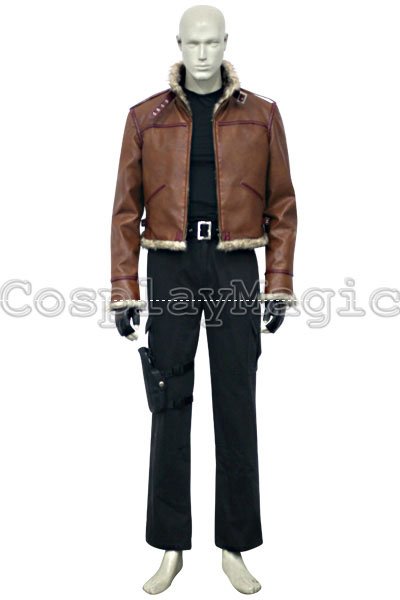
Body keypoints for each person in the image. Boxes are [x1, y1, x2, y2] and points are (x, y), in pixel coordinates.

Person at [108, 5, 297, 595]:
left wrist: (278, 282)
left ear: (226, 43)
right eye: (193, 42)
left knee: (236, 403)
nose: (203, 52)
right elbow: (124, 211)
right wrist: (124, 289)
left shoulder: (262, 115)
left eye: (212, 42)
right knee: (169, 403)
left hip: (235, 265)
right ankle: (170, 547)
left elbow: (283, 206)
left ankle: (233, 547)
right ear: (179, 45)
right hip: (170, 266)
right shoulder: (145, 117)